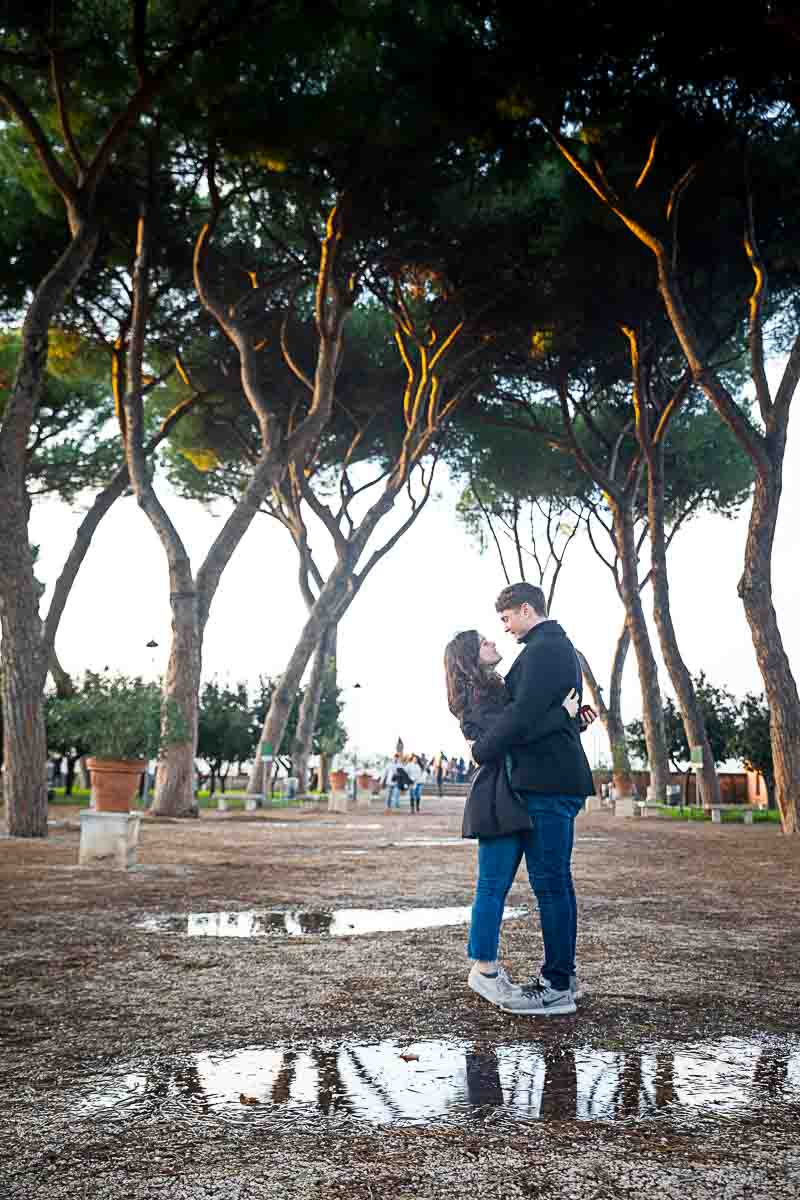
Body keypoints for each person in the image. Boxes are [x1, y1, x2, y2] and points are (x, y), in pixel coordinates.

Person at [470, 581, 594, 1016]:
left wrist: (483, 748)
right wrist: (564, 718)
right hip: (551, 780)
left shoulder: (544, 649)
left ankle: (556, 985)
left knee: (551, 884)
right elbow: (541, 716)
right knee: (554, 883)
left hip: (548, 783)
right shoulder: (554, 648)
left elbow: (520, 718)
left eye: (506, 619)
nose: (504, 629)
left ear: (525, 610)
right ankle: (564, 977)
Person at [445, 623, 580, 1014]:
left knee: (500, 886)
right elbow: (508, 738)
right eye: (483, 642)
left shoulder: (493, 689)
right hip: (497, 797)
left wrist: (571, 719)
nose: (493, 641)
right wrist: (560, 715)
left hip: (513, 795)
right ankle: (484, 969)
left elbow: (522, 728)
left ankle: (497, 970)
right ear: (470, 658)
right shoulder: (477, 698)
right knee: (492, 886)